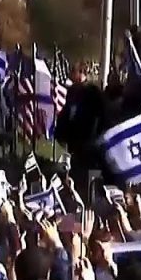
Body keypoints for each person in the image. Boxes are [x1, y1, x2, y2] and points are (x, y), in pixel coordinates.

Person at [55, 61, 107, 194]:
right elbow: (66, 113)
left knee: (87, 181)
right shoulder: (72, 91)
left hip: (88, 144)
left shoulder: (93, 92)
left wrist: (92, 137)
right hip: (73, 144)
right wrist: (60, 132)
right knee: (74, 177)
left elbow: (98, 116)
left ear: (82, 73)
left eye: (74, 70)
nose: (70, 73)